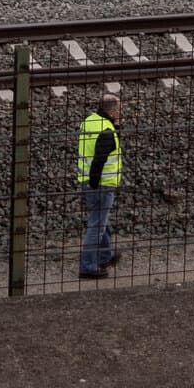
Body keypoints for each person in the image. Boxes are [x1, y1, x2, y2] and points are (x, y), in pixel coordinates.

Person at [77, 95, 123, 279]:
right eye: (119, 108)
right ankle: (88, 266)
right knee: (97, 225)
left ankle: (104, 257)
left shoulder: (89, 121)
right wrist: (95, 182)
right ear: (113, 110)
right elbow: (100, 158)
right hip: (101, 183)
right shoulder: (106, 129)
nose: (120, 111)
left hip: (86, 179)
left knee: (101, 220)